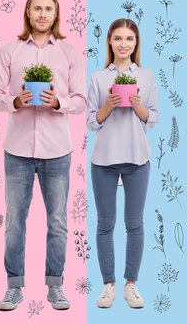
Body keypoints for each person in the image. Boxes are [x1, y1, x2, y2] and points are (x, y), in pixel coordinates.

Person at [0, 0, 86, 311]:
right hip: (16, 150)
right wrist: (15, 101)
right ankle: (13, 286)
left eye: (49, 9)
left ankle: (55, 285)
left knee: (57, 221)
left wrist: (58, 102)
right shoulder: (9, 51)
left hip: (57, 150)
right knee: (15, 220)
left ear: (56, 14)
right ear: (27, 13)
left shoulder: (70, 54)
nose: (43, 14)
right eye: (37, 8)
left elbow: (83, 100)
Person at [87, 18, 159, 309]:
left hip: (137, 158)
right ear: (109, 42)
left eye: (129, 39)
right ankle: (108, 286)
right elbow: (92, 121)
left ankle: (131, 284)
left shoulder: (146, 76)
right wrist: (108, 105)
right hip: (104, 159)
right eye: (118, 38)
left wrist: (138, 104)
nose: (123, 44)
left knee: (135, 223)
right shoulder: (98, 78)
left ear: (136, 43)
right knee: (105, 225)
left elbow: (152, 118)